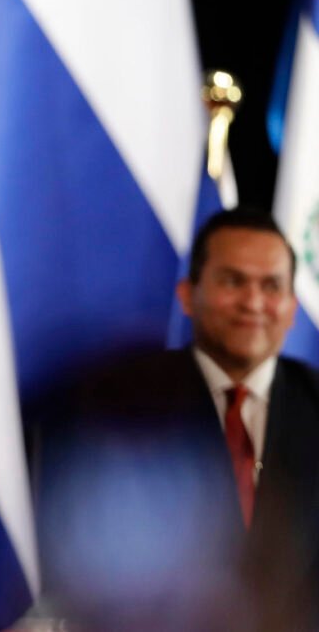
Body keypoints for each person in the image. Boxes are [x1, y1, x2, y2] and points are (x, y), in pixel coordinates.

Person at [38, 207, 319, 630]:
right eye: (233, 281)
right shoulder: (130, 404)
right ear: (188, 295)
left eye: (271, 286)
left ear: (293, 308)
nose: (253, 302)